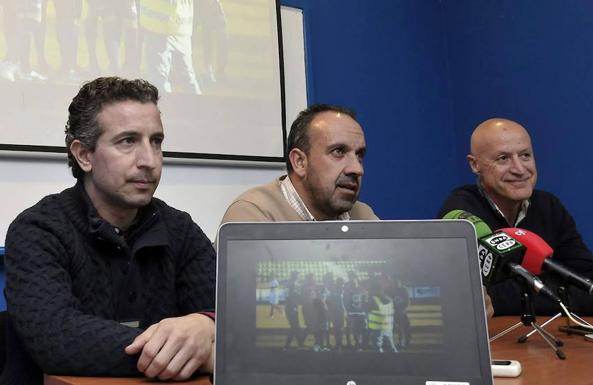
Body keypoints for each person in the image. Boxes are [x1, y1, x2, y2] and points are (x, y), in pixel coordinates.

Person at [2, 77, 216, 385]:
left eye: (156, 141)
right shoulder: (37, 229)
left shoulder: (180, 229)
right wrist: (197, 351)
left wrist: (206, 325)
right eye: (127, 141)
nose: (149, 160)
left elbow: (230, 322)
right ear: (84, 155)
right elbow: (59, 339)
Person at [439, 117, 593, 316]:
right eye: (503, 158)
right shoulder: (461, 215)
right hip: (498, 342)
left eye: (525, 155)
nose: (519, 169)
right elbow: (494, 296)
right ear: (475, 165)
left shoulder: (548, 205)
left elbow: (583, 272)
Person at [221, 103, 377, 223]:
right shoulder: (254, 215)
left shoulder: (364, 216)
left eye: (359, 155)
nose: (357, 169)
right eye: (338, 152)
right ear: (300, 162)